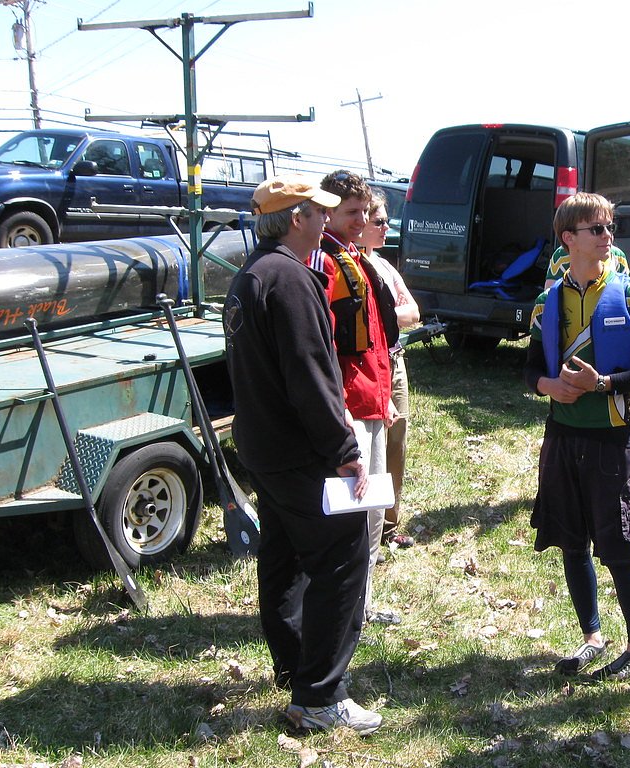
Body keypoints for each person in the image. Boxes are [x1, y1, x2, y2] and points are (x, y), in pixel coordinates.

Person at [222, 173, 382, 735]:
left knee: (284, 555)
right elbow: (311, 377)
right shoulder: (291, 279)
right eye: (318, 211)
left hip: (264, 447)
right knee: (343, 555)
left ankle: (294, 662)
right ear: (296, 218)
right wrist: (344, 449)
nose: (326, 219)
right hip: (297, 451)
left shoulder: (251, 276)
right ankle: (319, 694)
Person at [525, 192, 630, 682]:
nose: (609, 237)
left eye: (610, 228)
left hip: (612, 439)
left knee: (619, 548)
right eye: (598, 229)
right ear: (569, 239)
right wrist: (551, 387)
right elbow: (529, 372)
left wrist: (604, 384)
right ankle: (591, 637)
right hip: (562, 437)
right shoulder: (547, 303)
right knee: (572, 543)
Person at [309, 170, 401, 625]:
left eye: (365, 212)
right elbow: (322, 346)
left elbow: (378, 340)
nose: (360, 220)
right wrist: (340, 410)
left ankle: (360, 607)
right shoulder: (323, 264)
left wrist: (385, 397)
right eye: (351, 212)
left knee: (371, 513)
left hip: (373, 401)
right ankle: (340, 610)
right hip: (350, 407)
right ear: (326, 212)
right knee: (348, 517)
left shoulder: (355, 259)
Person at [358, 193, 420, 549]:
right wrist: (384, 319)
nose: (386, 228)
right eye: (379, 221)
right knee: (370, 447)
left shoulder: (383, 266)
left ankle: (388, 524)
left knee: (396, 442)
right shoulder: (348, 265)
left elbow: (414, 311)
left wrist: (379, 318)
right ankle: (367, 529)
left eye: (386, 221)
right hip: (368, 366)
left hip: (394, 363)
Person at [544, 242, 629, 290]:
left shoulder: (618, 256)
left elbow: (624, 296)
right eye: (596, 229)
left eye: (610, 227)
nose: (606, 234)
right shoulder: (563, 255)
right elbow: (548, 301)